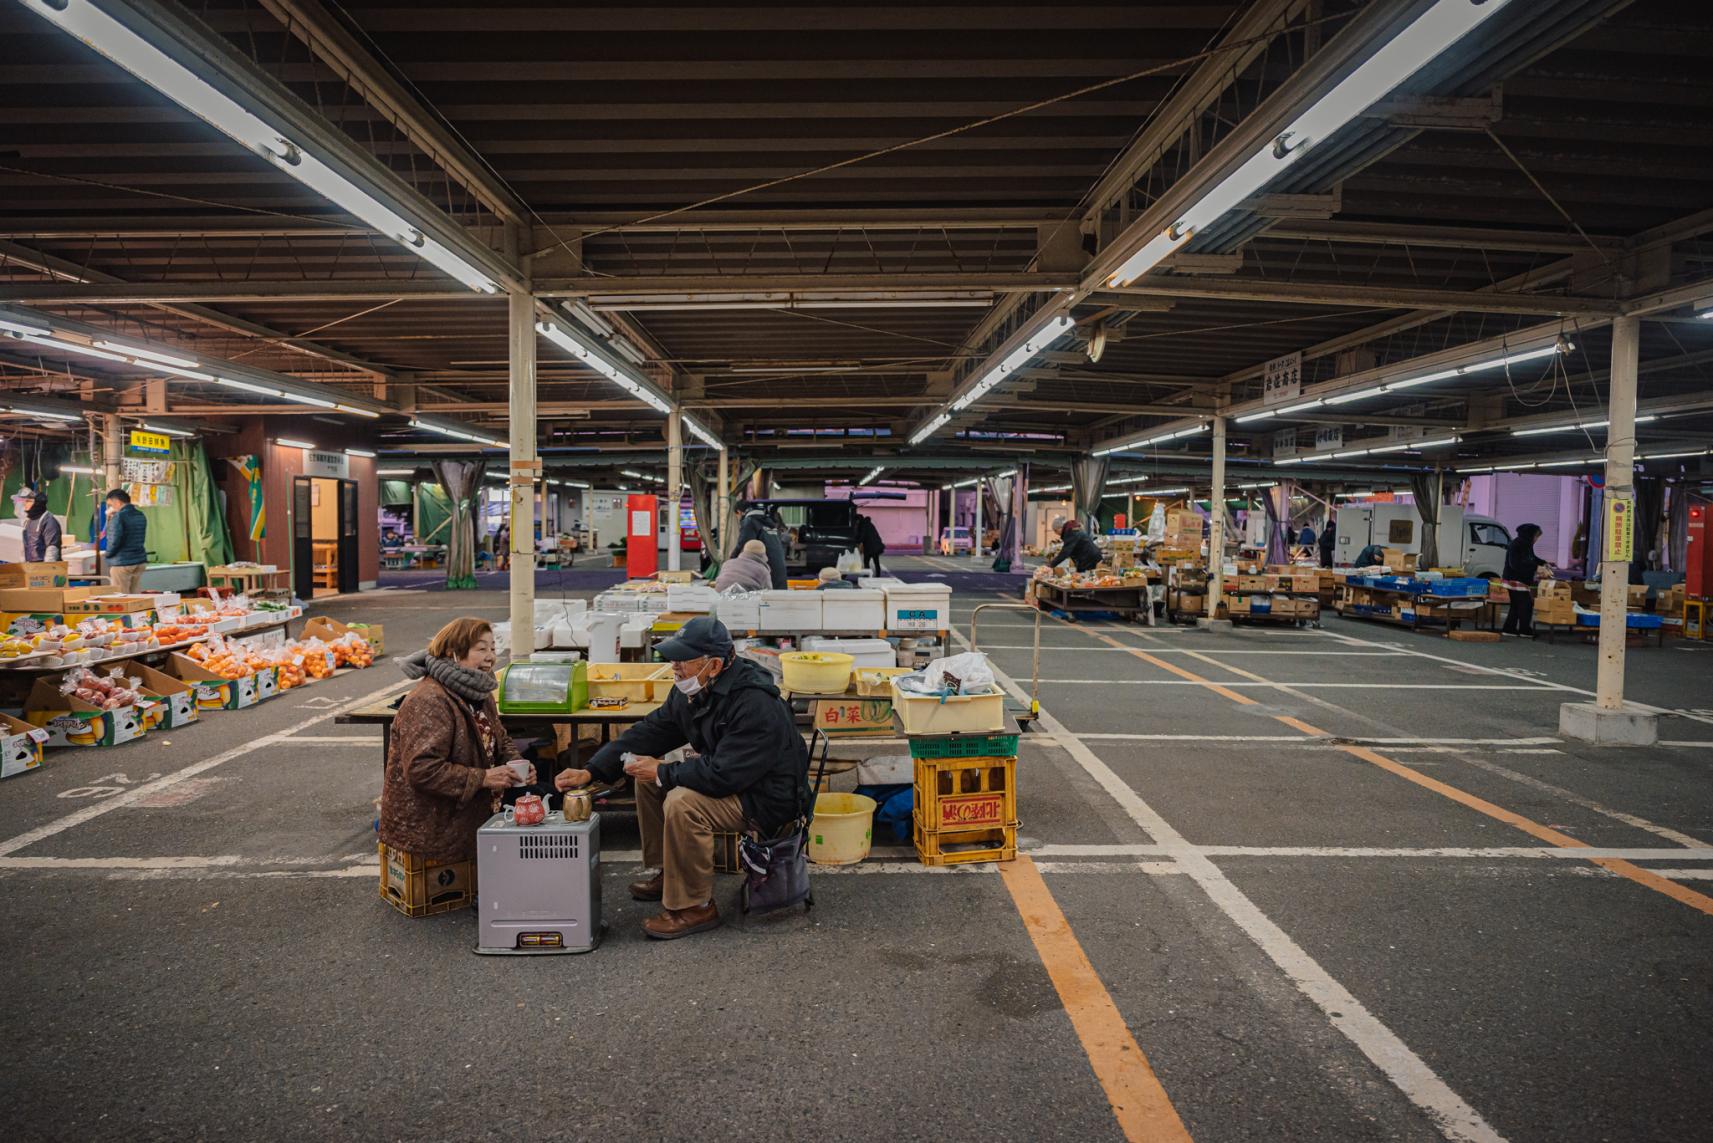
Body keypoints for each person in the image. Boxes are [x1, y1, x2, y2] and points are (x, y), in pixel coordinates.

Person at [555, 617, 808, 940]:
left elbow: (723, 775)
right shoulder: (693, 689)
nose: (673, 667)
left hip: (768, 797)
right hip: (736, 781)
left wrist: (663, 771)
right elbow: (652, 730)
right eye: (672, 658)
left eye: (682, 660)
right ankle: (670, 873)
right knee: (645, 779)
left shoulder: (754, 702)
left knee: (682, 802)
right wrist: (592, 769)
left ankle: (695, 906)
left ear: (714, 665)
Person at [379, 618, 535, 865]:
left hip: (469, 810)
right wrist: (483, 777)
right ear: (453, 654)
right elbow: (422, 770)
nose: (491, 657)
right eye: (481, 649)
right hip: (433, 824)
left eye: (493, 649)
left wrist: (517, 763)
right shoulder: (429, 700)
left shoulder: (478, 692)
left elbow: (500, 738)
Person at [1502, 523, 1550, 637]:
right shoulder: (1519, 544)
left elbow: (1531, 558)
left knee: (1516, 605)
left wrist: (1542, 562)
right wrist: (1536, 567)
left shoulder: (1525, 543)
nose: (1537, 539)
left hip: (1514, 579)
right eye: (1536, 536)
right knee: (1526, 604)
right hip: (1515, 580)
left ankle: (1509, 629)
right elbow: (1516, 563)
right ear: (1530, 535)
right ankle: (1524, 630)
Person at [102, 489, 148, 594]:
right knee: (135, 596)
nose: (110, 508)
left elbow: (114, 540)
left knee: (121, 597)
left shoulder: (118, 517)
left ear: (117, 502)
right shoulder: (140, 515)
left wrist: (108, 554)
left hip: (122, 562)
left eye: (110, 505)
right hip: (139, 561)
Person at [731, 505, 788, 589]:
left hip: (765, 571)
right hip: (780, 572)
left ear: (739, 512)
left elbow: (743, 543)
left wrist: (732, 559)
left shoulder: (749, 521)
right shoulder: (769, 522)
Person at [22, 492, 62, 563]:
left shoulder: (49, 521)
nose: (25, 504)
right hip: (31, 567)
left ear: (37, 503)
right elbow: (25, 546)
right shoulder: (28, 521)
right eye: (25, 501)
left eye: (29, 501)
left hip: (44, 566)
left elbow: (52, 547)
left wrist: (46, 570)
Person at [856, 512, 885, 578]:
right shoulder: (869, 524)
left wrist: (857, 540)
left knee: (866, 561)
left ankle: (867, 574)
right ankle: (878, 575)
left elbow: (862, 536)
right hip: (876, 545)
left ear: (858, 520)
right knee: (876, 561)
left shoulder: (863, 525)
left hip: (870, 547)